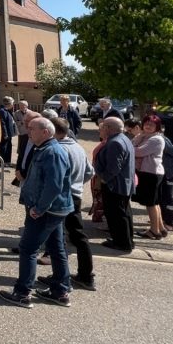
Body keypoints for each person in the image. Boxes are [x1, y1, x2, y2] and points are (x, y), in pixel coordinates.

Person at [0, 117, 73, 308]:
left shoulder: (52, 152)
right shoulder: (45, 149)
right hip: (51, 210)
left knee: (29, 249)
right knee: (56, 249)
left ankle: (23, 293)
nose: (28, 131)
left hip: (46, 211)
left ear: (46, 132)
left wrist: (39, 208)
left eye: (32, 128)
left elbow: (54, 185)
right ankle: (60, 291)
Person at [51, 118, 96, 290]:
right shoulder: (77, 146)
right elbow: (90, 172)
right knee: (77, 235)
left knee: (58, 236)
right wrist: (77, 184)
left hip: (63, 197)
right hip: (75, 195)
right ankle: (85, 275)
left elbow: (54, 179)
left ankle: (61, 278)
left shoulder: (58, 149)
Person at [93, 117, 136, 252]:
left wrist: (104, 178)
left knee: (117, 215)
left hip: (115, 185)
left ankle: (122, 243)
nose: (101, 129)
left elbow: (113, 169)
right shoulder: (123, 139)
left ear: (109, 128)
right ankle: (126, 240)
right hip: (122, 184)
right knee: (123, 213)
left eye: (103, 126)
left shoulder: (115, 143)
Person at [132, 114, 166, 240]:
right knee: (154, 202)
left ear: (157, 126)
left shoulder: (156, 139)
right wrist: (139, 136)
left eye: (151, 124)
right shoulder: (144, 136)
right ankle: (160, 228)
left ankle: (154, 230)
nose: (148, 126)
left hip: (151, 173)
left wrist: (136, 142)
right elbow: (133, 145)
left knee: (151, 203)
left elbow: (137, 152)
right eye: (146, 123)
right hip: (148, 172)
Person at [0, 97, 17, 167]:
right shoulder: (2, 111)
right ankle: (3, 162)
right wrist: (5, 134)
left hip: (9, 133)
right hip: (5, 134)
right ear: (9, 103)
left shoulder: (7, 110)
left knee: (8, 147)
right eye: (12, 103)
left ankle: (7, 161)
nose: (13, 104)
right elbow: (2, 123)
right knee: (3, 148)